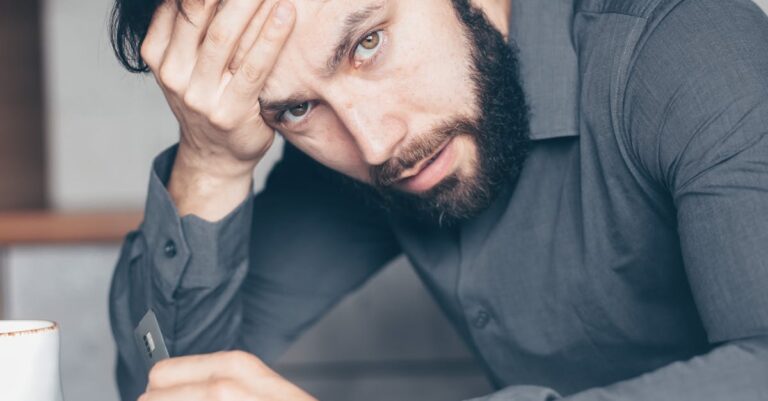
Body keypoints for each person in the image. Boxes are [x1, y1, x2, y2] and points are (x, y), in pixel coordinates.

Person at [108, 0, 768, 400]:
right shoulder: (359, 150)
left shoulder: (684, 50)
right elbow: (166, 381)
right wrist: (213, 162)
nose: (373, 144)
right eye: (298, 108)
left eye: (367, 43)